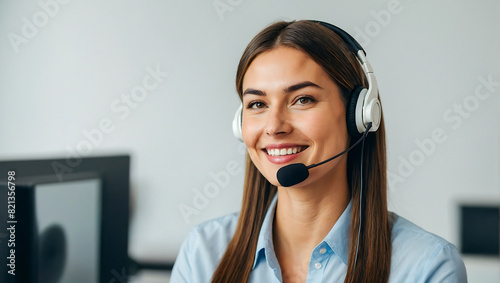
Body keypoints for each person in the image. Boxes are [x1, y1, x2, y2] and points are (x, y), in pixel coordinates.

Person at [170, 20, 467, 283]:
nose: (274, 127)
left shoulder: (426, 266)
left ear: (359, 115)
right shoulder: (203, 253)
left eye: (302, 100)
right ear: (241, 124)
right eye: (258, 104)